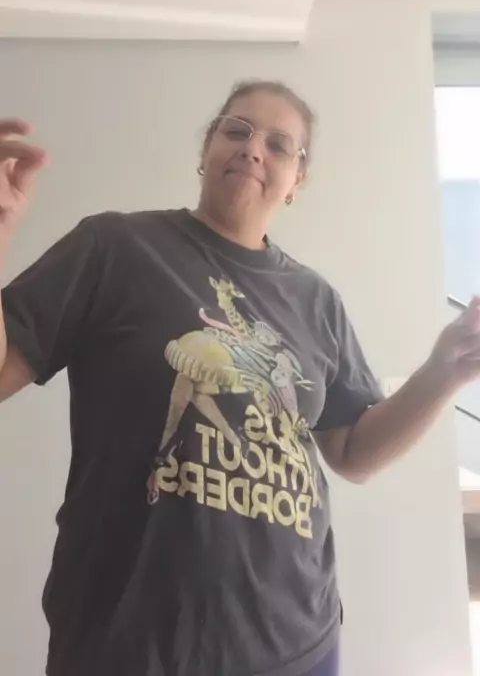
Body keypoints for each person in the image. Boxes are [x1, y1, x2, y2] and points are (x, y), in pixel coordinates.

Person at [1, 80, 480, 676]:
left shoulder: (316, 301)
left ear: (297, 180)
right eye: (238, 130)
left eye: (279, 145)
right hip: (126, 646)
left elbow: (353, 452)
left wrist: (446, 368)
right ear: (207, 149)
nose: (254, 149)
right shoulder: (114, 248)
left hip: (296, 642)